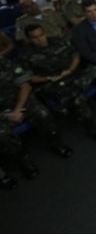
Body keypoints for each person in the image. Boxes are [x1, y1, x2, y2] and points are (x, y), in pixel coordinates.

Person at [19, 24, 96, 142]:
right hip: (53, 83)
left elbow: (75, 54)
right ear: (29, 39)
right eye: (35, 37)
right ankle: (91, 127)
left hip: (71, 74)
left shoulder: (57, 41)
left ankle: (74, 90)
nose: (40, 39)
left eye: (41, 35)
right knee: (77, 100)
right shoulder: (25, 55)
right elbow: (30, 78)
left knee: (95, 68)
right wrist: (50, 78)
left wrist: (71, 69)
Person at [0, 57, 72, 190]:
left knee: (43, 114)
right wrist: (6, 115)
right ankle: (23, 160)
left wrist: (17, 110)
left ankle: (54, 142)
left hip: (18, 101)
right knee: (3, 135)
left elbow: (25, 86)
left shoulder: (3, 63)